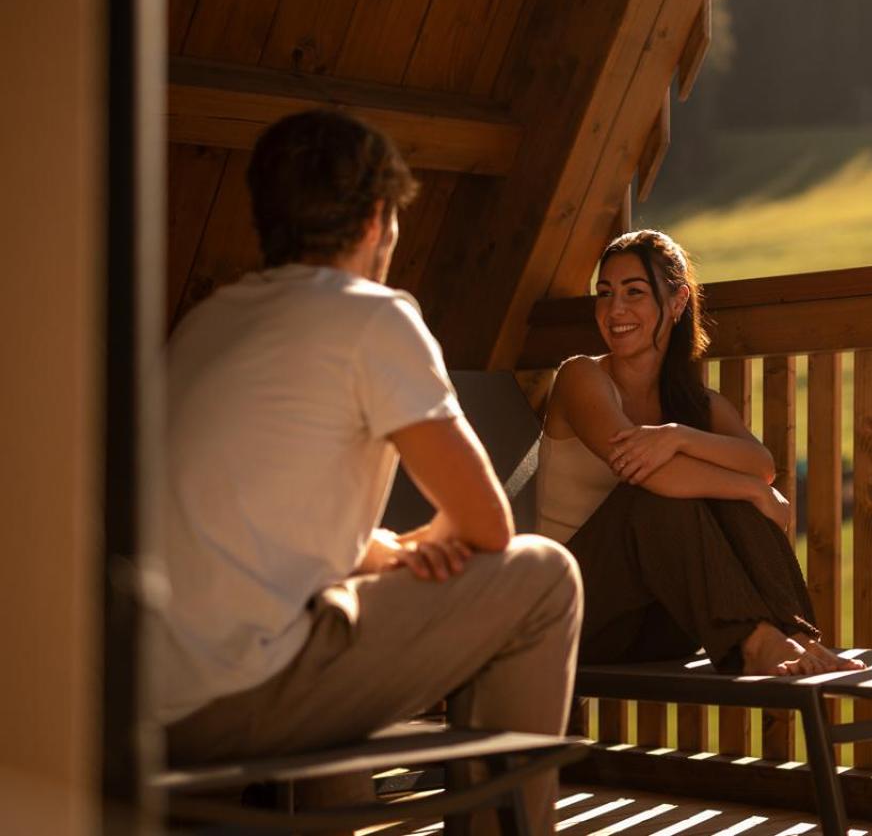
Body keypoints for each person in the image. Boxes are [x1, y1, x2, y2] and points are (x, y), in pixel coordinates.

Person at [156, 110, 582, 835]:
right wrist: (429, 541)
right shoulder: (372, 316)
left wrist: (383, 548)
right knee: (545, 576)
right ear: (379, 218)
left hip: (138, 691)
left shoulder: (207, 322)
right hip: (238, 692)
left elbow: (249, 521)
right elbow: (486, 524)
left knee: (341, 607)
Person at [536, 229, 862, 676]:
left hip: (660, 623)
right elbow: (646, 474)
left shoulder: (695, 404)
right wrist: (749, 490)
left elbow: (761, 464)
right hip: (574, 612)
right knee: (659, 501)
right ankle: (758, 645)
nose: (615, 310)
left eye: (635, 293)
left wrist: (679, 437)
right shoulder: (581, 378)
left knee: (723, 493)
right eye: (605, 294)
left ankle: (796, 636)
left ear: (676, 302)